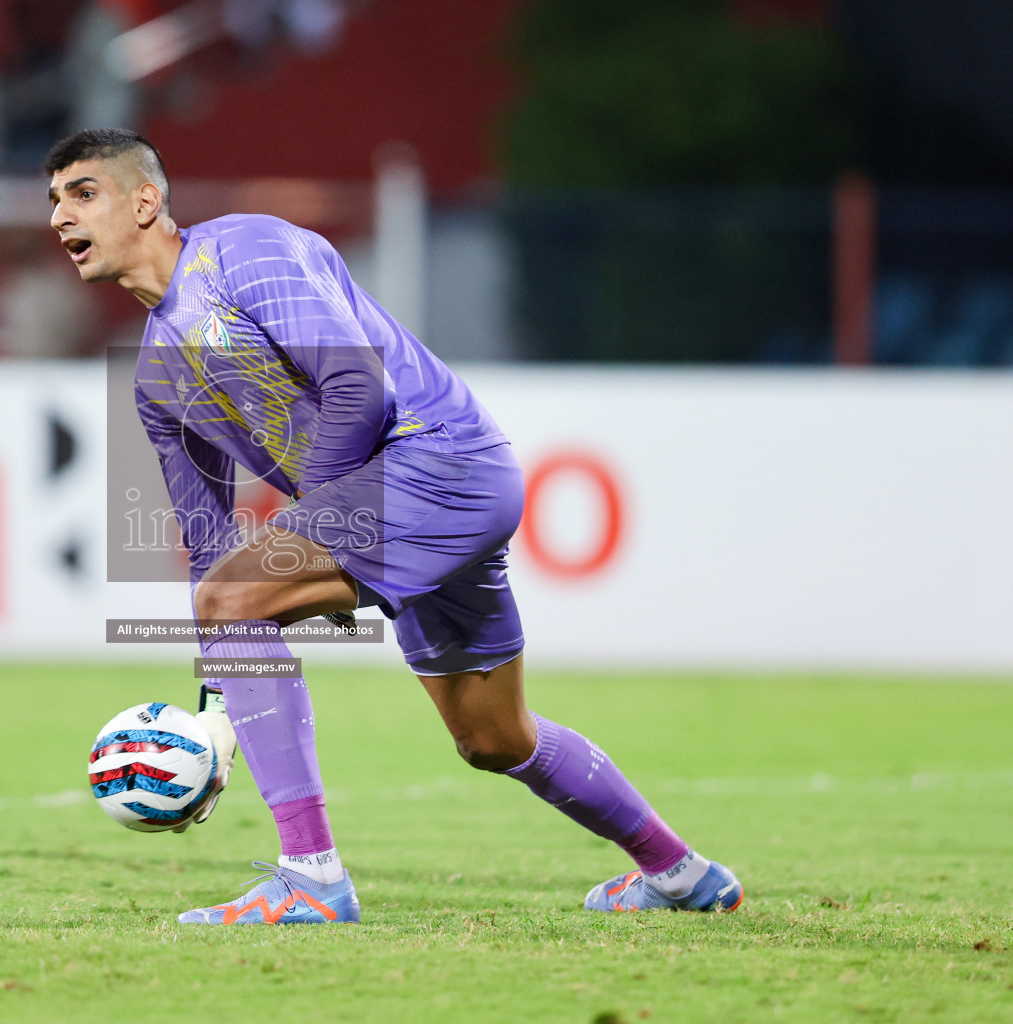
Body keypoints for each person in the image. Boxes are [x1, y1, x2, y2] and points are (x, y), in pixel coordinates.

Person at [45, 127, 743, 923]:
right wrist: (216, 719)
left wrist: (317, 527)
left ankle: (311, 876)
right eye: (55, 200)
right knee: (493, 736)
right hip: (403, 500)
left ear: (146, 201)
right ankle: (681, 874)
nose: (61, 216)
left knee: (236, 602)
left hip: (437, 463)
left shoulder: (246, 252)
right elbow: (210, 553)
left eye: (83, 192)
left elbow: (359, 389)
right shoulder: (155, 378)